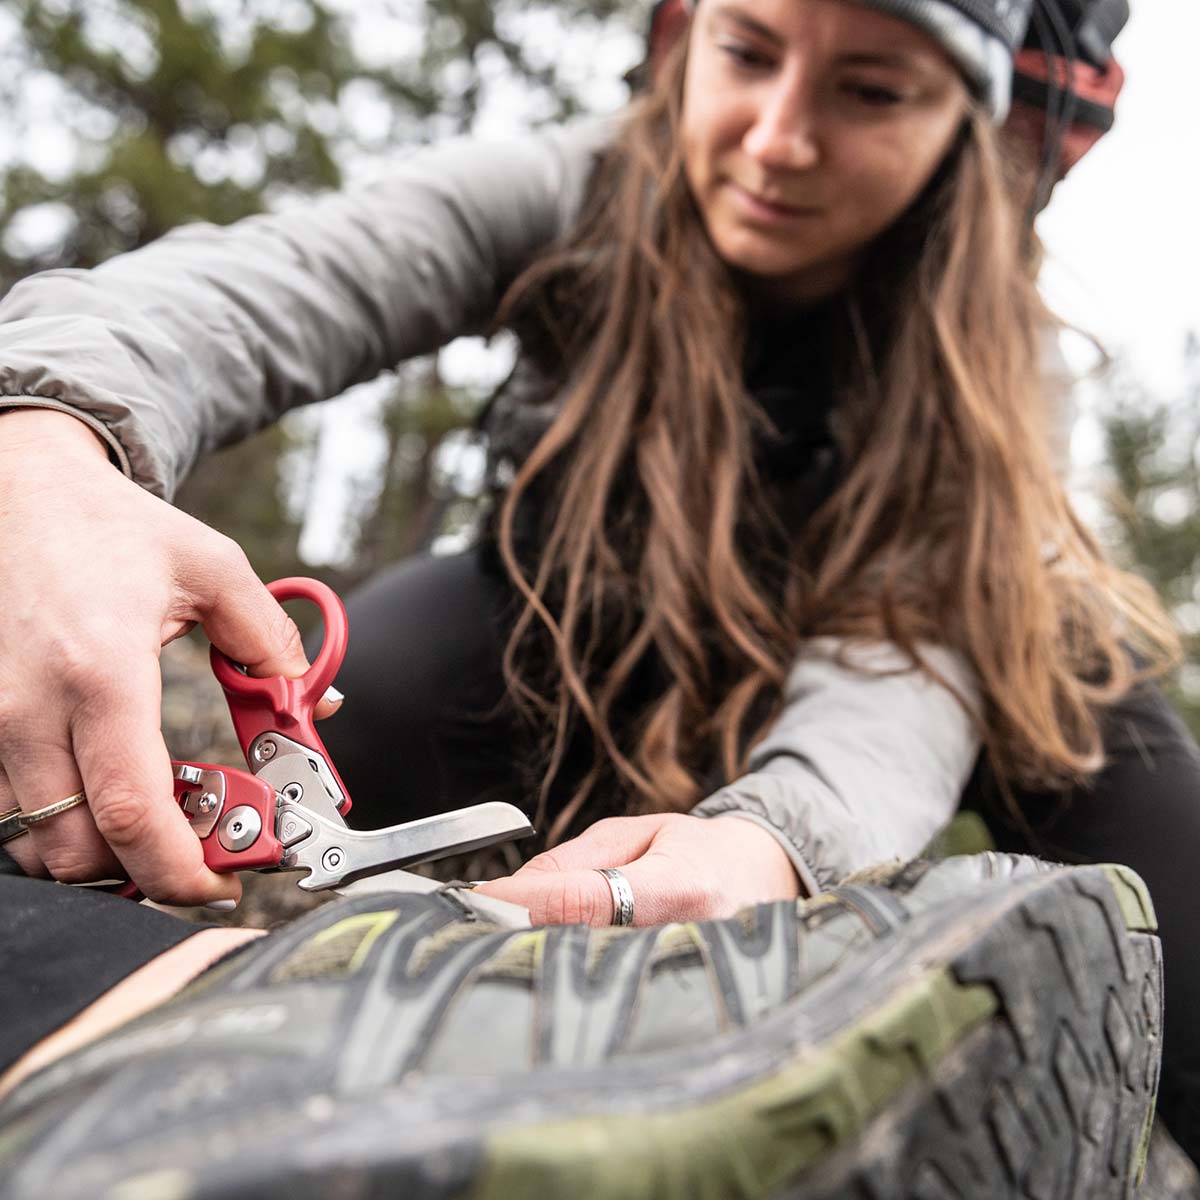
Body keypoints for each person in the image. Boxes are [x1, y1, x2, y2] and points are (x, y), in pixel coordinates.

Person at [0, 0, 1196, 1157]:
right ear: (683, 35)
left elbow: (902, 662)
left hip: (927, 691)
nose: (778, 137)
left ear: (975, 130)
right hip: (614, 634)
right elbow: (257, 288)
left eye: (872, 91)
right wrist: (51, 438)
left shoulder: (999, 353)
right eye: (749, 48)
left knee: (1150, 830)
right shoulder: (571, 187)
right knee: (397, 673)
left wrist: (774, 844)